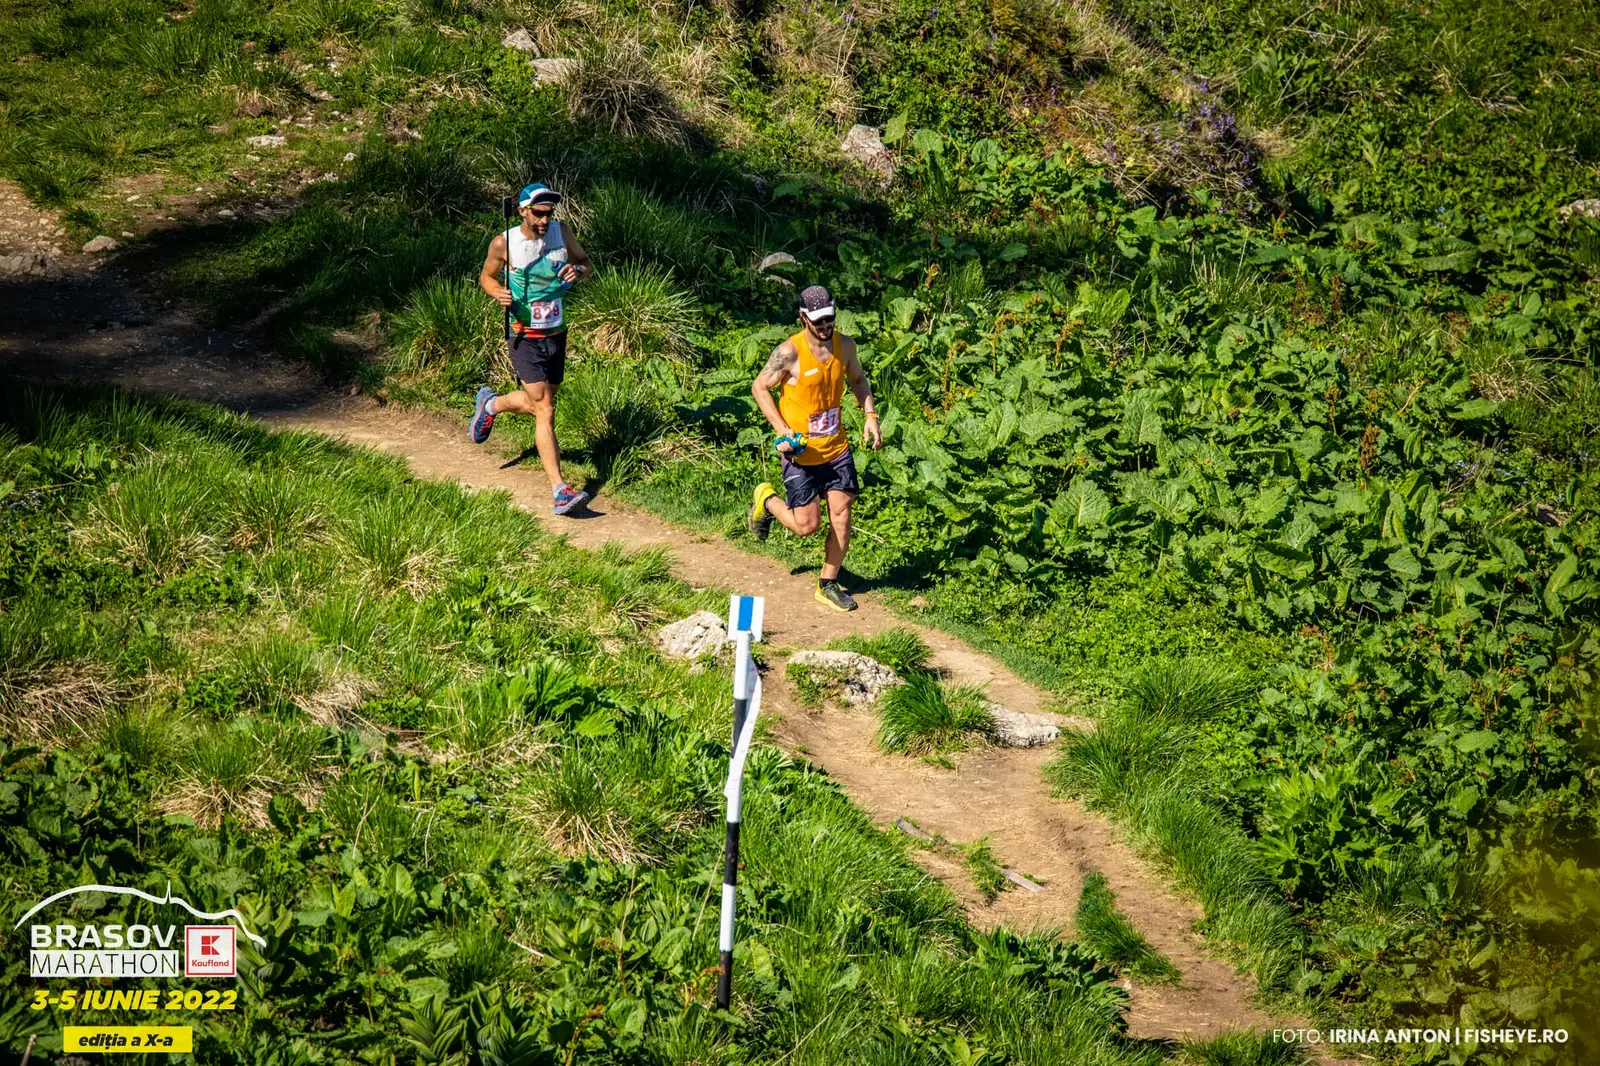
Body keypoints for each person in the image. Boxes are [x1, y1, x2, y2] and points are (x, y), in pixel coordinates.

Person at [748, 285, 883, 612]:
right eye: (818, 322)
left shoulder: (845, 347)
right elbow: (759, 387)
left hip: (836, 449)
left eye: (830, 320)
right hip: (800, 454)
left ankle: (827, 583)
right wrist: (782, 429)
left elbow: (858, 380)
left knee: (842, 514)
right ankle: (767, 501)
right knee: (806, 526)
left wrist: (870, 415)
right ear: (803, 318)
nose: (825, 327)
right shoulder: (789, 353)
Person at [469, 182, 593, 516]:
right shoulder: (504, 243)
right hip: (523, 335)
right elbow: (486, 277)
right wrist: (498, 294)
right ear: (522, 210)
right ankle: (560, 490)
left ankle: (491, 405)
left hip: (556, 332)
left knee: (541, 402)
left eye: (548, 213)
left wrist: (577, 270)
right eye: (537, 213)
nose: (544, 220)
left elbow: (585, 263)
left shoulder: (561, 232)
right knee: (545, 409)